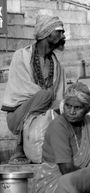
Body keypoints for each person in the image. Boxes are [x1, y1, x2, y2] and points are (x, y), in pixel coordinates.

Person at [1, 15, 66, 164]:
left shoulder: (57, 64)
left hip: (45, 111)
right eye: (59, 31)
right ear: (46, 33)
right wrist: (49, 97)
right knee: (44, 95)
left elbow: (59, 96)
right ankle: (19, 148)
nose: (63, 36)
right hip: (17, 115)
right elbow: (23, 89)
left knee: (67, 105)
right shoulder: (21, 56)